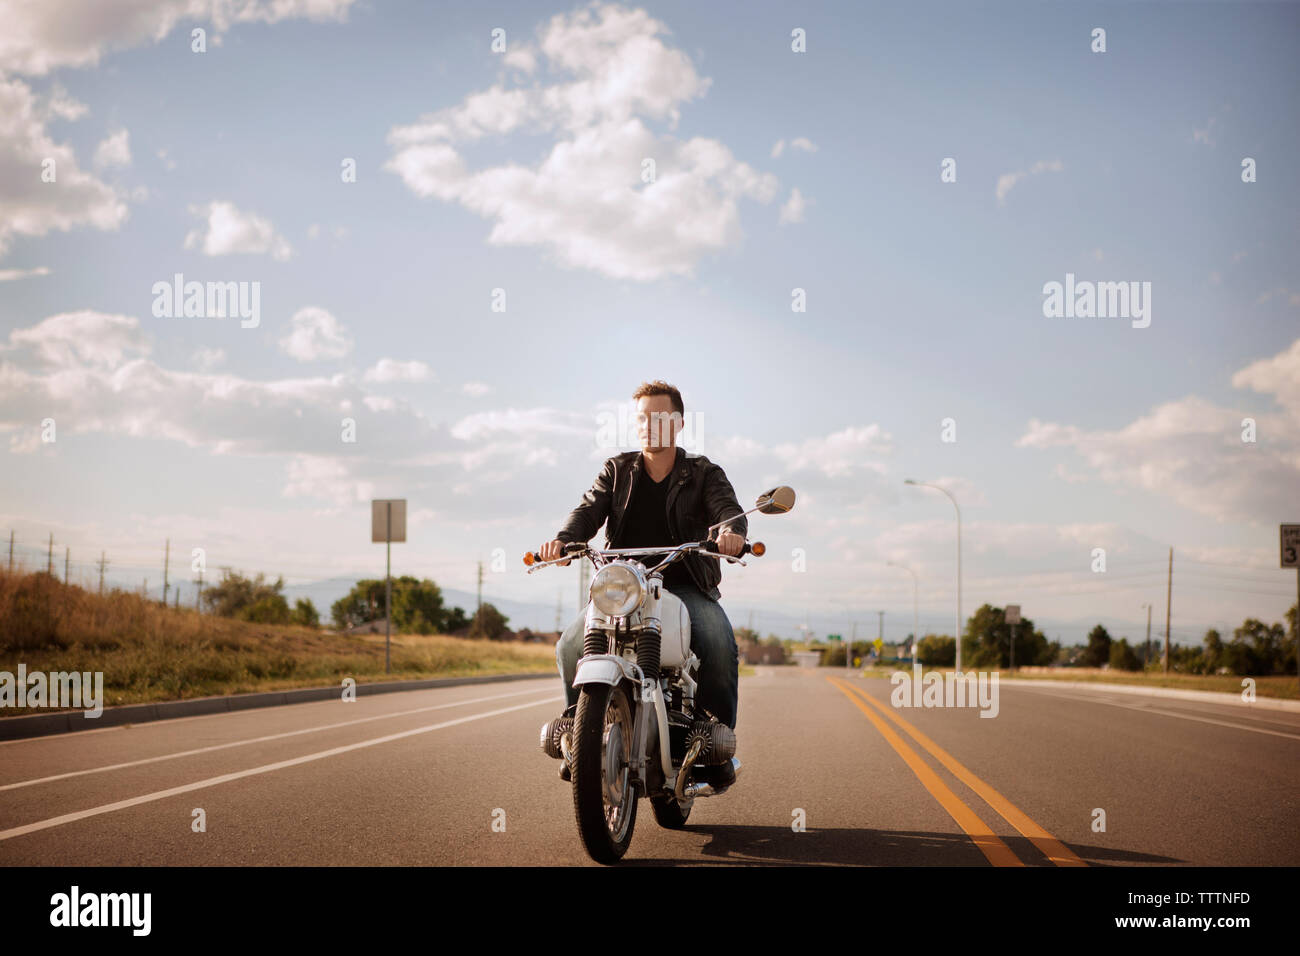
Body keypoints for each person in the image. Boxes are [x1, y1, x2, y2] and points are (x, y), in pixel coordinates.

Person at [542, 380, 746, 787]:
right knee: (568, 646)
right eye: (642, 419)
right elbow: (587, 510)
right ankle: (579, 737)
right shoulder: (617, 470)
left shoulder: (704, 473)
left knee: (718, 642)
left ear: (679, 422)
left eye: (660, 417)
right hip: (623, 587)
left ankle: (714, 748)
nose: (650, 426)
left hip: (684, 585)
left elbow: (728, 511)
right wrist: (564, 539)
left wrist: (731, 533)